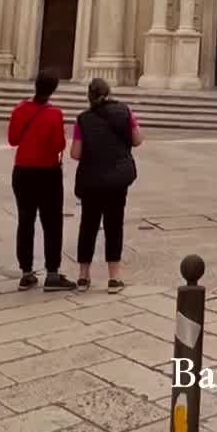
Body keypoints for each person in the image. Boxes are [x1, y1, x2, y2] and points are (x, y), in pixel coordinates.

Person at [70, 78, 141, 291]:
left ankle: (83, 276)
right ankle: (114, 277)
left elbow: (75, 153)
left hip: (91, 180)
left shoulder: (82, 119)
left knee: (88, 226)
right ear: (109, 93)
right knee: (114, 225)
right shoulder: (125, 112)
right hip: (117, 180)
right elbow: (137, 139)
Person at [6, 73, 76, 292]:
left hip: (22, 172)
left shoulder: (19, 110)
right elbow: (58, 146)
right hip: (47, 173)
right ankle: (52, 273)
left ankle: (26, 273)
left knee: (25, 221)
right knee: (52, 223)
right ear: (53, 89)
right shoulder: (54, 114)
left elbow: (13, 140)